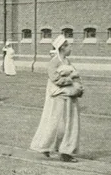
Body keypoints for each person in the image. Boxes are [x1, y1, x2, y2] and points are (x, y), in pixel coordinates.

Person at [30, 35, 82, 163]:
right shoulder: (54, 61)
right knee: (56, 122)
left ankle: (65, 150)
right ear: (63, 47)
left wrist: (78, 87)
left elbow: (74, 76)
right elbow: (55, 79)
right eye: (68, 45)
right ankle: (52, 148)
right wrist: (70, 79)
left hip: (69, 96)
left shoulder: (67, 62)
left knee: (69, 123)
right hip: (58, 96)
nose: (71, 48)